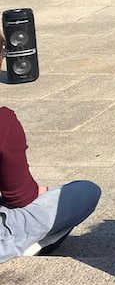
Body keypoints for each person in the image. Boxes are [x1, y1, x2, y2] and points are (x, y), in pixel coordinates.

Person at [0, 100, 101, 264]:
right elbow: (20, 198)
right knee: (86, 191)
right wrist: (37, 192)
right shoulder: (4, 120)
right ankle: (24, 244)